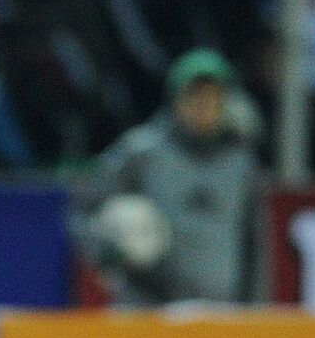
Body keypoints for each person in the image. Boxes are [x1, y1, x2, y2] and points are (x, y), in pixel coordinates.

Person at [71, 48, 262, 307]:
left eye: (213, 96)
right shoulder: (142, 152)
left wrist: (254, 308)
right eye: (195, 95)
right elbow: (83, 210)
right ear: (175, 100)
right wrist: (108, 252)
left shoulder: (240, 162)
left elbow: (253, 243)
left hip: (220, 312)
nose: (204, 105)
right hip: (148, 309)